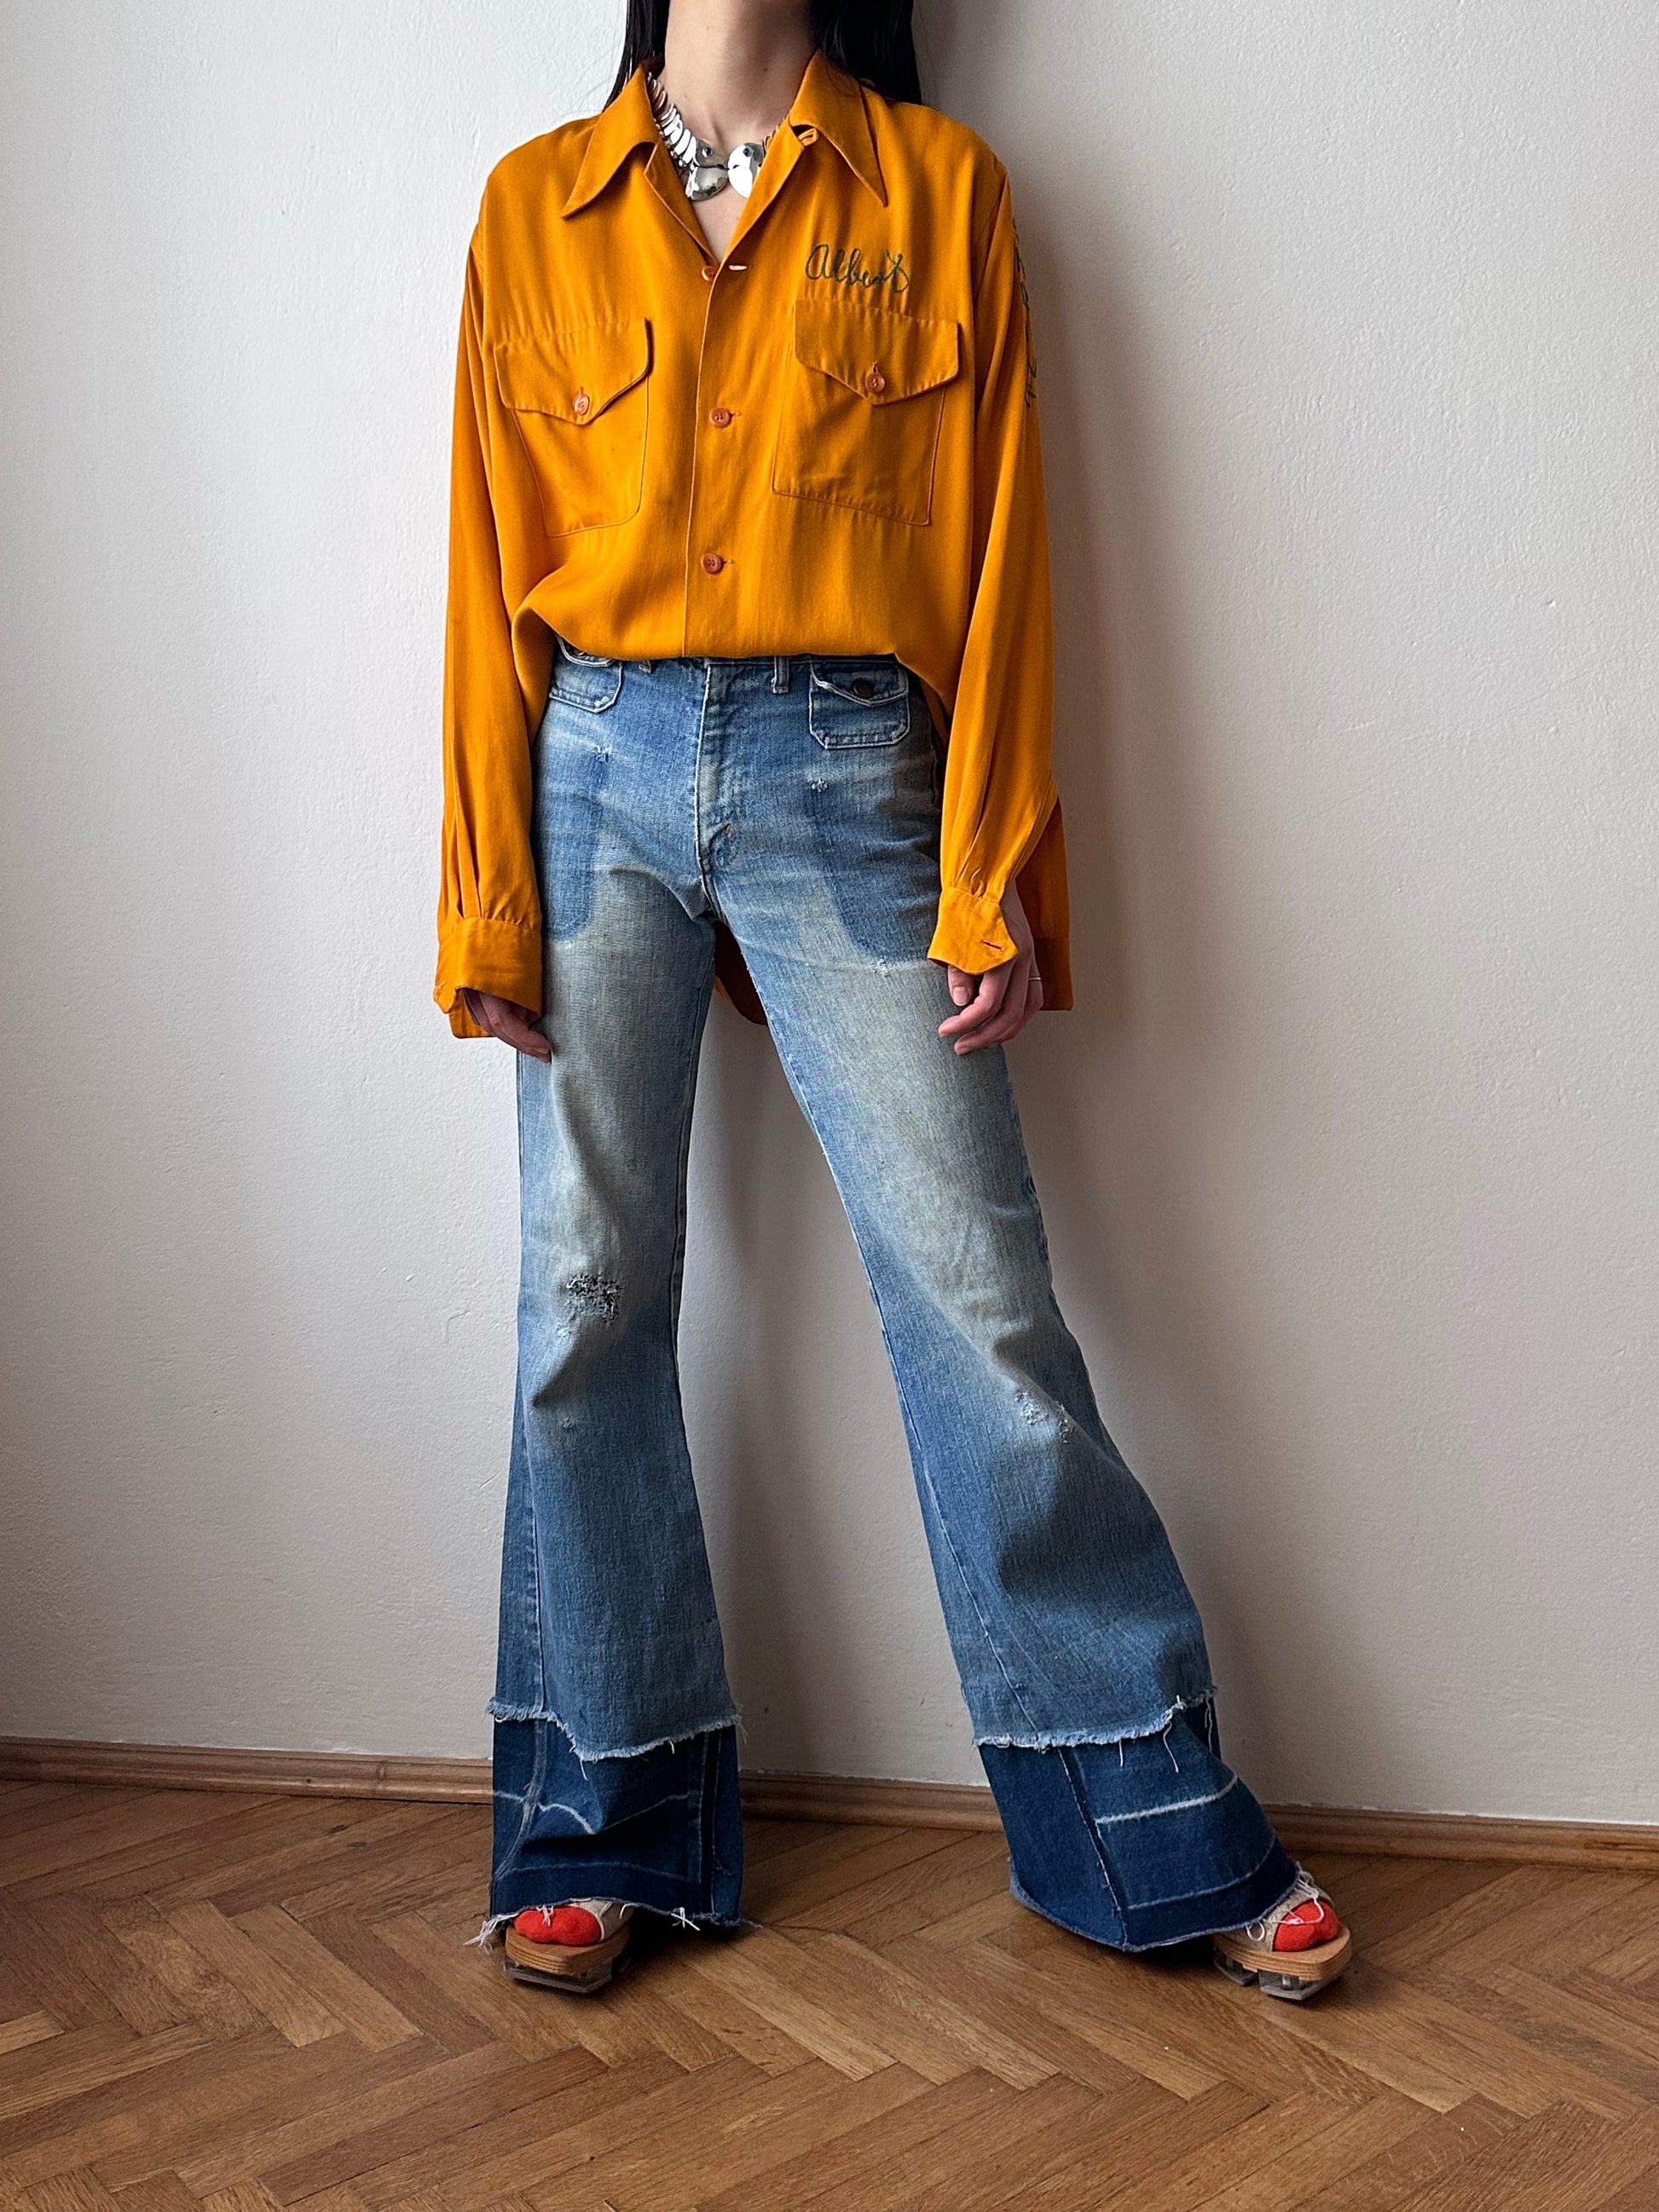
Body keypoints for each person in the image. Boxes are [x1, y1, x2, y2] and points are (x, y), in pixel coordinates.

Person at [434, 0, 1352, 2005]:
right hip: (590, 770)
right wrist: (485, 893)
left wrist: (991, 857)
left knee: (973, 1297)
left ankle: (1142, 1812)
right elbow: (488, 561)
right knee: (582, 1296)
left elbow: (1006, 549)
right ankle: (599, 1817)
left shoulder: (942, 194)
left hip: (852, 767)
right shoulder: (532, 208)